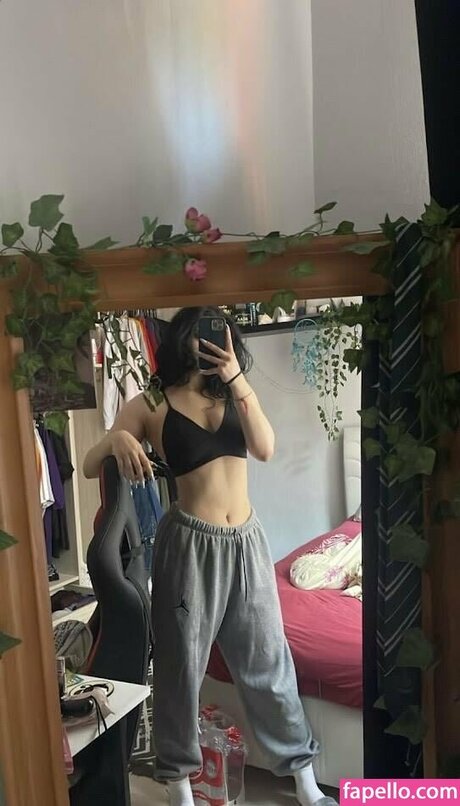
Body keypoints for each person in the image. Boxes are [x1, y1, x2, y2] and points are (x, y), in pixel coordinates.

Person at [83, 306, 337, 806]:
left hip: (247, 542)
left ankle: (305, 782)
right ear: (180, 339)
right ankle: (180, 786)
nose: (209, 343)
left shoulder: (235, 391)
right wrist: (117, 437)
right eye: (199, 335)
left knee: (269, 661)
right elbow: (92, 464)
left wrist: (237, 378)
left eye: (219, 334)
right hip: (188, 548)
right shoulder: (153, 400)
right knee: (179, 667)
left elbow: (265, 448)